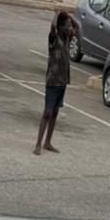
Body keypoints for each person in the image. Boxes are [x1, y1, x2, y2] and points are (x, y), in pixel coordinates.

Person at [34, 10, 78, 155]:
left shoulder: (67, 38)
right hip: (53, 81)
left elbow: (78, 28)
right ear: (61, 28)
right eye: (67, 26)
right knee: (47, 112)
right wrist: (57, 15)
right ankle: (38, 144)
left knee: (55, 113)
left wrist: (69, 17)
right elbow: (53, 27)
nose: (70, 28)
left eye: (70, 26)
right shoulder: (55, 38)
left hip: (63, 81)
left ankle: (48, 142)